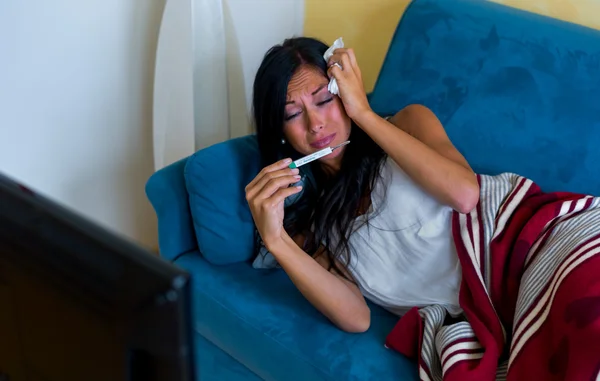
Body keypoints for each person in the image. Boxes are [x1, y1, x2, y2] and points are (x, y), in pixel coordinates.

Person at [245, 37, 480, 333]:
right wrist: (276, 239)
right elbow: (357, 318)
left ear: (345, 92)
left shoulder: (408, 123)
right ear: (279, 132)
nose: (315, 123)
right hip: (477, 321)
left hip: (526, 250)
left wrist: (364, 114)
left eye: (324, 99)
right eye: (292, 114)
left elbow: (466, 196)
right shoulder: (314, 226)